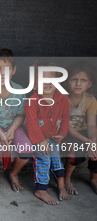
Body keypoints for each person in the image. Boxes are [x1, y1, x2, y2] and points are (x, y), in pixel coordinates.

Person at [0, 49, 33, 192]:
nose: (2, 73)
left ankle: (13, 174)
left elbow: (21, 115)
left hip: (13, 126)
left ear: (14, 70)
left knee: (27, 149)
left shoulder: (19, 89)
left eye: (7, 68)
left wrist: (11, 130)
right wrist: (0, 133)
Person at [24, 63, 71, 205]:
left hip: (54, 138)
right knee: (44, 159)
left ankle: (61, 186)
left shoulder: (63, 99)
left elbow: (65, 117)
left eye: (52, 78)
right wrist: (41, 141)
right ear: (34, 85)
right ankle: (41, 189)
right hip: (38, 139)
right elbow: (31, 124)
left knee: (56, 159)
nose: (48, 82)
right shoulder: (32, 101)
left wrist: (62, 133)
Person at [62, 62, 97, 195]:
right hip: (65, 131)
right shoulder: (62, 99)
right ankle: (67, 179)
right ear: (66, 82)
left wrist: (93, 141)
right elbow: (67, 126)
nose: (78, 84)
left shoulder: (90, 100)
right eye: (74, 79)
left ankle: (94, 179)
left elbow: (92, 125)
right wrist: (86, 141)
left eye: (83, 80)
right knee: (76, 148)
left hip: (83, 131)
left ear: (89, 84)